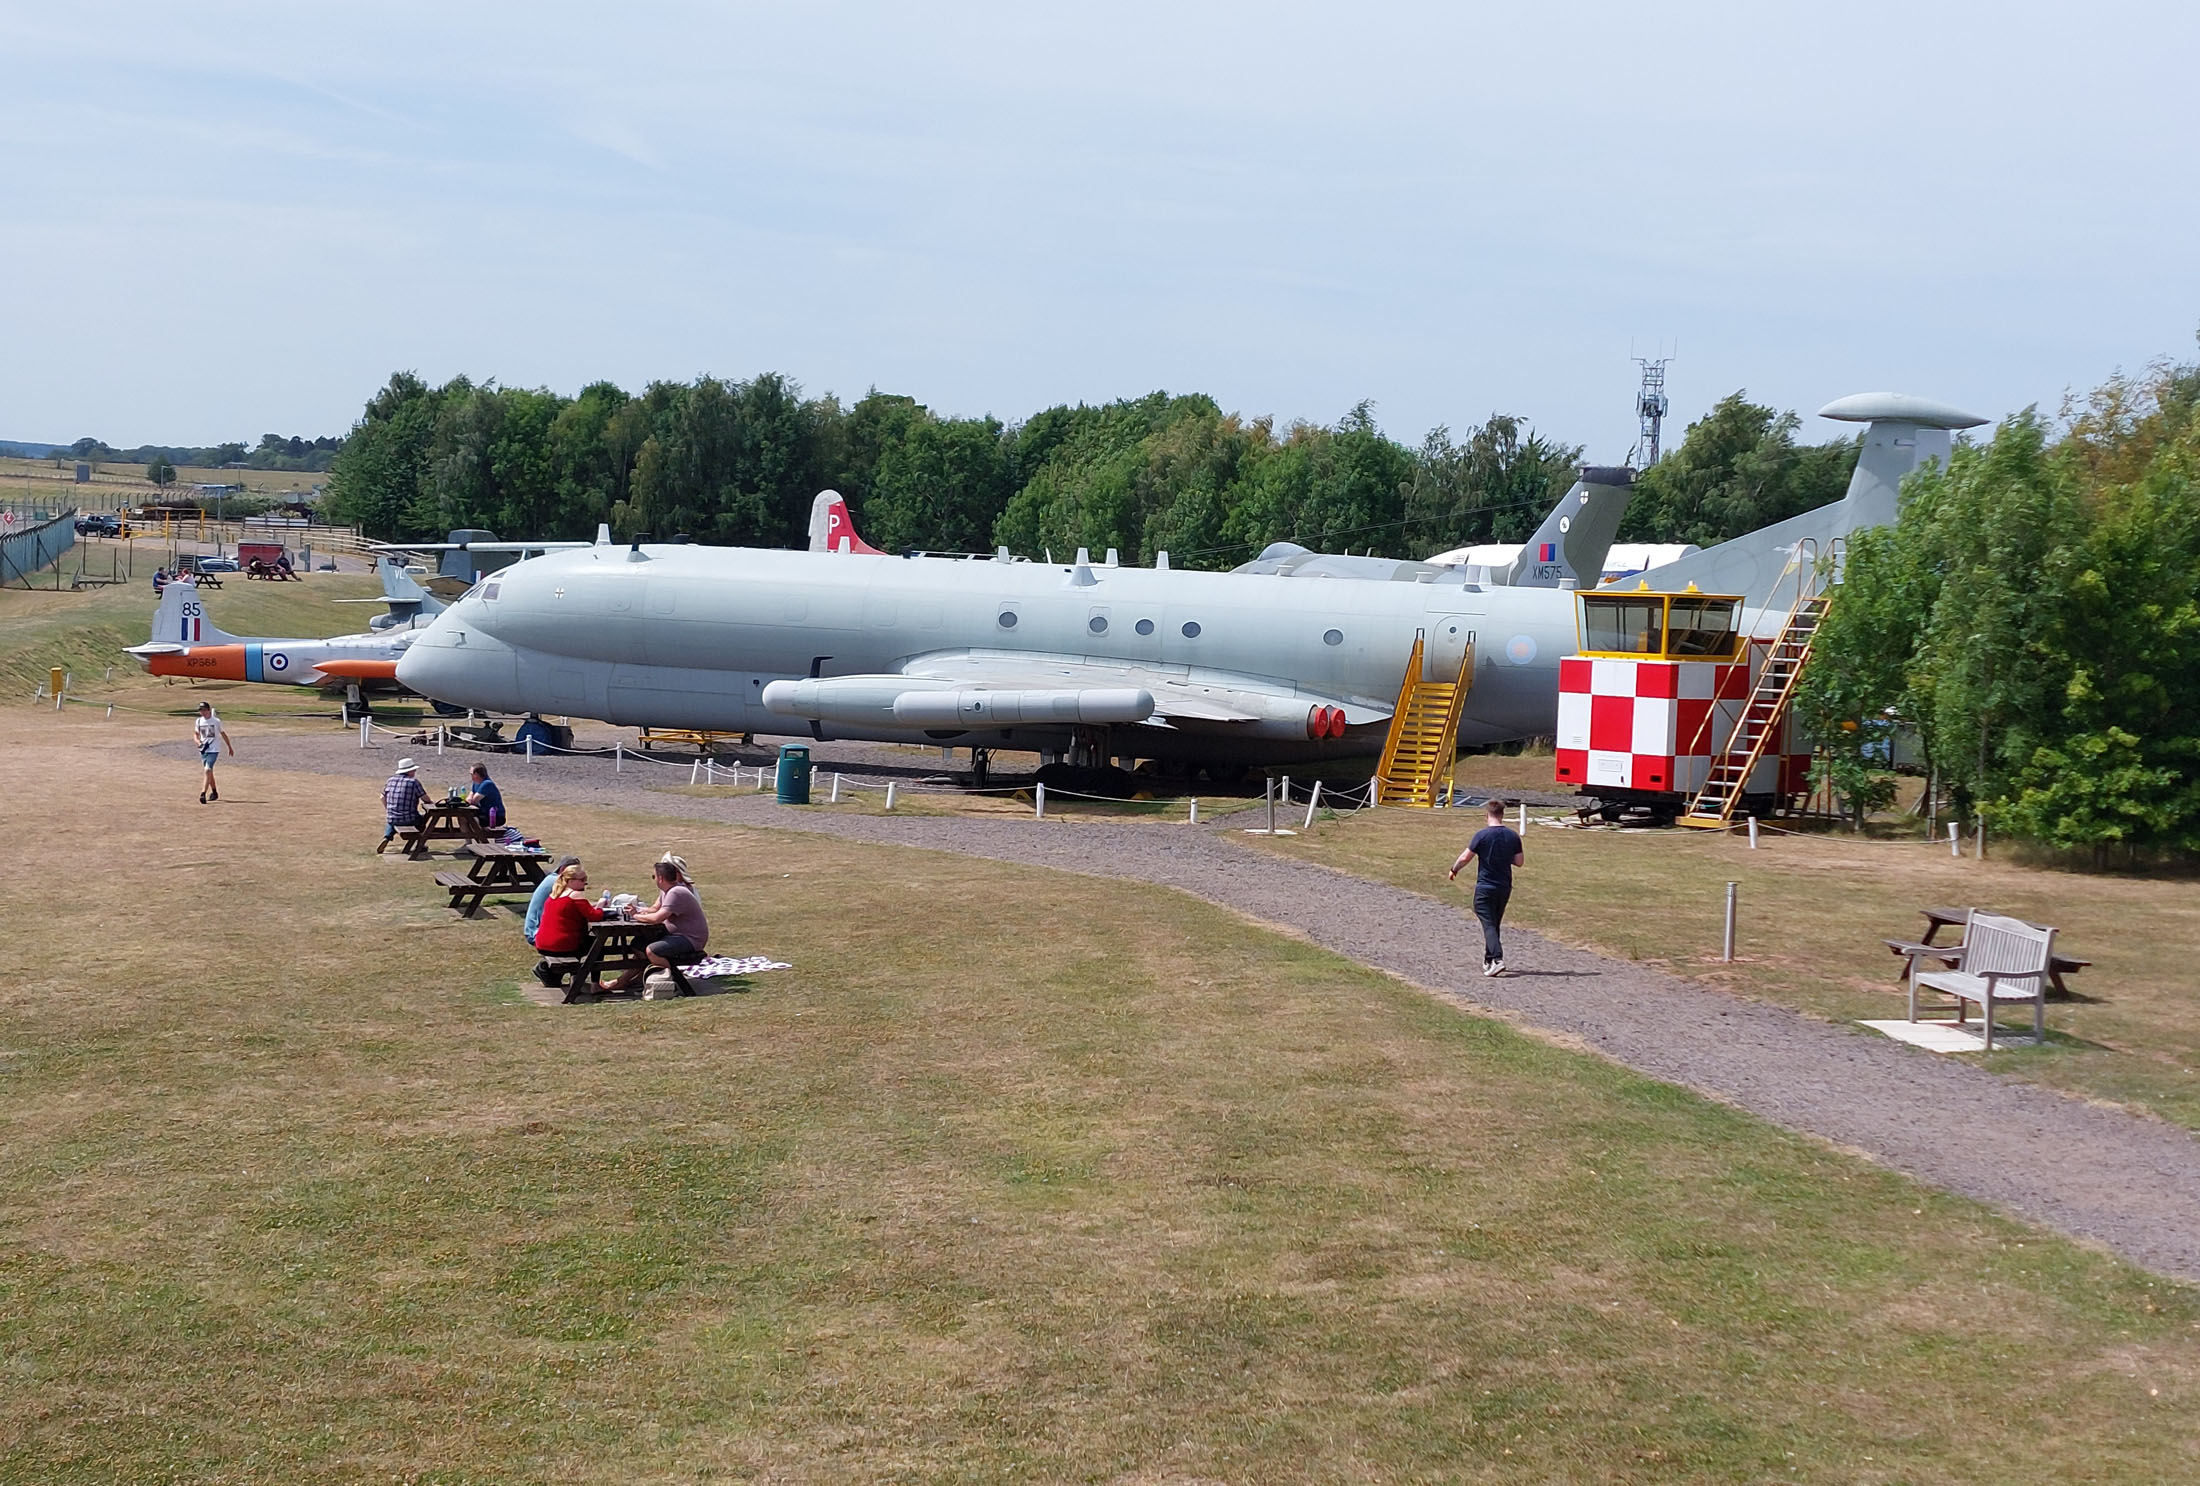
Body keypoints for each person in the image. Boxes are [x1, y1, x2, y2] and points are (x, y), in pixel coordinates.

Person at [1449, 799, 1525, 976]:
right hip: (1504, 886)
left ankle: (1497, 959)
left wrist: (1454, 869)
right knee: (1493, 923)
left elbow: (1465, 858)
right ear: (1502, 815)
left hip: (1485, 885)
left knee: (1487, 921)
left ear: (1486, 815)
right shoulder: (1513, 836)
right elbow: (1519, 862)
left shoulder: (1482, 836)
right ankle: (1489, 959)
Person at [608, 859, 710, 991]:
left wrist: (635, 916)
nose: (654, 879)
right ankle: (625, 980)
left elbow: (657, 918)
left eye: (654, 876)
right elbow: (655, 909)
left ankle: (670, 980)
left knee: (653, 950)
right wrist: (637, 910)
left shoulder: (677, 892)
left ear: (661, 878)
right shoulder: (668, 891)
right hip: (675, 935)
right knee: (638, 944)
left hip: (690, 939)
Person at [532, 864, 608, 993]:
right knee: (597, 945)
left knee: (583, 942)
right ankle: (594, 985)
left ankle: (560, 974)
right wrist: (600, 906)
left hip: (542, 943)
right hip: (562, 945)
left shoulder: (556, 894)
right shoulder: (576, 895)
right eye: (582, 880)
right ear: (571, 881)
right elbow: (595, 916)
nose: (585, 883)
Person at [523, 855, 582, 948]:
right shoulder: (558, 882)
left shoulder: (551, 878)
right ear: (563, 869)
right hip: (536, 933)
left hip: (532, 930)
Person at [377, 758, 429, 854]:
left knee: (392, 820)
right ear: (409, 771)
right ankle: (419, 844)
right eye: (413, 770)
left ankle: (387, 837)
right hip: (410, 818)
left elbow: (382, 797)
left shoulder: (390, 780)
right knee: (422, 821)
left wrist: (388, 809)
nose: (415, 771)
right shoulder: (414, 782)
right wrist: (430, 802)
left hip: (393, 817)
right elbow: (425, 798)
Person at [192, 701, 233, 805]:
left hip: (214, 749)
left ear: (209, 710)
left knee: (207, 769)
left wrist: (229, 746)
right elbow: (196, 734)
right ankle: (214, 792)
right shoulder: (198, 721)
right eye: (201, 710)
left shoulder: (216, 721)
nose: (202, 712)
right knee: (209, 772)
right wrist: (198, 742)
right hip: (203, 749)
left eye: (204, 710)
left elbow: (223, 734)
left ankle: (203, 793)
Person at [466, 764, 506, 829]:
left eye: (472, 774)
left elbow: (474, 801)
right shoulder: (476, 783)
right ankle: (468, 838)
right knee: (463, 818)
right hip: (483, 813)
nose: (471, 777)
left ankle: (480, 838)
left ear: (478, 774)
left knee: (472, 819)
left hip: (494, 816)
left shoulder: (487, 784)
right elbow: (471, 795)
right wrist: (469, 798)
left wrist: (469, 799)